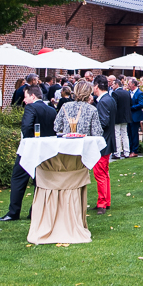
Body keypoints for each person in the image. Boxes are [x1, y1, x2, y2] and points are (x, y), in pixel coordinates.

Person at [0, 86, 58, 221]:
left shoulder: (31, 108)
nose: (24, 100)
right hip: (46, 150)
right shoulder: (52, 110)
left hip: (30, 149)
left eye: (25, 97)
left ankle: (13, 212)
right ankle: (34, 210)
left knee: (18, 178)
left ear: (33, 96)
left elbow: (26, 126)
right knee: (40, 180)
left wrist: (27, 140)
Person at [54, 81, 106, 210]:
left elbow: (56, 126)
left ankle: (65, 206)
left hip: (65, 148)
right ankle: (77, 206)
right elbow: (97, 132)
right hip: (82, 149)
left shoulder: (65, 106)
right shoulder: (92, 109)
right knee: (80, 179)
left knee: (67, 178)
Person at [91, 76, 117, 211]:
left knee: (100, 173)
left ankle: (102, 202)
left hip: (103, 142)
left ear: (96, 86)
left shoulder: (104, 101)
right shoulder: (109, 99)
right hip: (108, 140)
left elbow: (103, 122)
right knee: (104, 173)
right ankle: (105, 201)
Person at [112, 77, 132, 159]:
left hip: (117, 116)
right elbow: (131, 103)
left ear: (117, 85)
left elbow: (113, 105)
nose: (112, 86)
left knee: (116, 134)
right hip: (126, 116)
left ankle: (117, 153)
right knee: (124, 134)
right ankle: (127, 152)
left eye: (113, 84)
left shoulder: (115, 93)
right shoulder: (127, 93)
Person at [128, 78, 143, 154]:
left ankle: (134, 150)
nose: (127, 85)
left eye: (129, 84)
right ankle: (130, 148)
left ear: (133, 84)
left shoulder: (139, 93)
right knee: (129, 133)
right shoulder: (128, 92)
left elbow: (141, 104)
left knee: (134, 133)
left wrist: (131, 107)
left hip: (135, 116)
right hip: (129, 116)